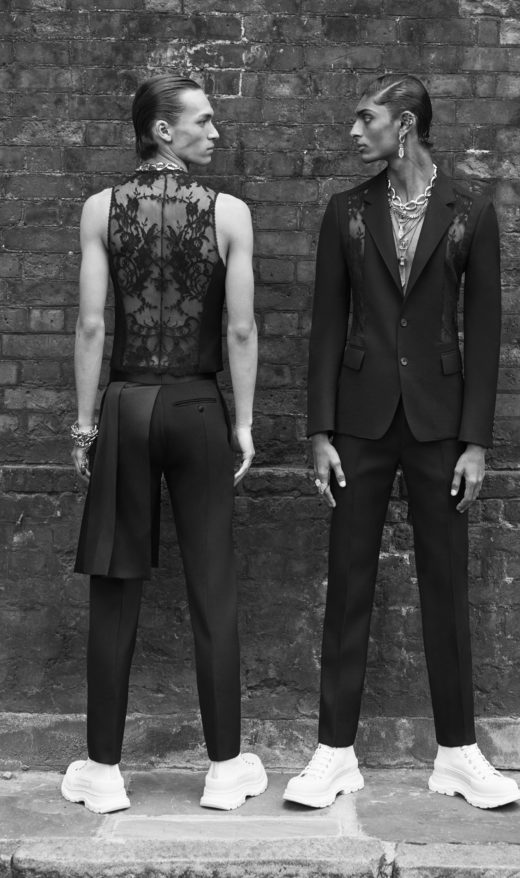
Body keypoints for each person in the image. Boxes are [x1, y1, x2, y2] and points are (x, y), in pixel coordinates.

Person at [284, 74, 520, 810]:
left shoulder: (470, 212)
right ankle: (334, 752)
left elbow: (484, 334)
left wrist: (475, 442)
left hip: (438, 426)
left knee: (445, 584)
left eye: (367, 119)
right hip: (359, 422)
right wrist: (318, 430)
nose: (355, 132)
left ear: (406, 125)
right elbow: (327, 324)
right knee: (348, 580)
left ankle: (457, 752)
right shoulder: (346, 212)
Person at [61, 74, 267, 814]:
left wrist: (85, 426)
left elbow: (92, 324)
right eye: (202, 121)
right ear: (161, 130)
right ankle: (225, 769)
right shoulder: (229, 213)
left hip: (126, 405)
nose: (215, 132)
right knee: (212, 584)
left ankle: (103, 771)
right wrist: (243, 423)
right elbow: (240, 328)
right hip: (196, 405)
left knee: (115, 586)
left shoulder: (100, 209)